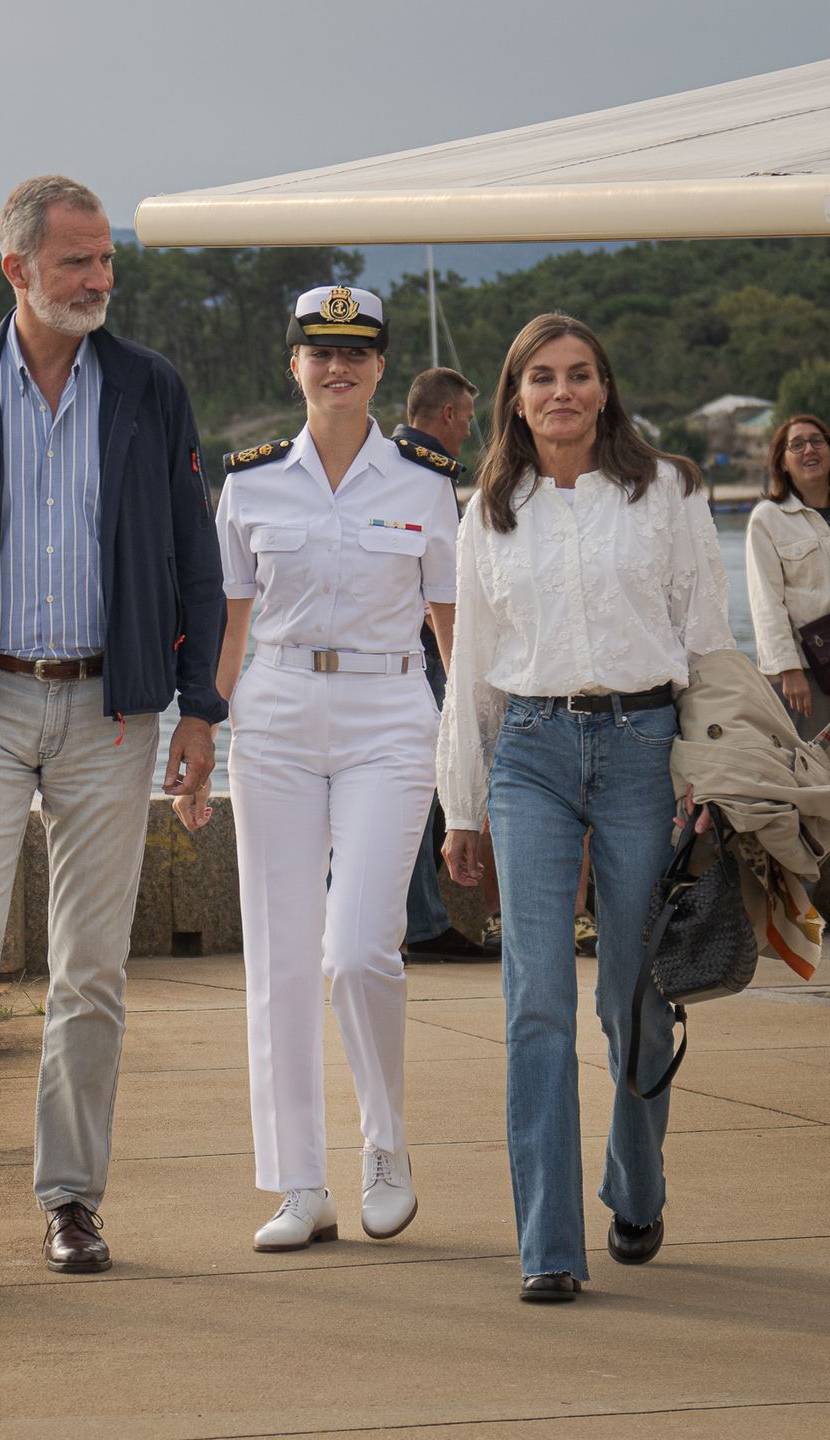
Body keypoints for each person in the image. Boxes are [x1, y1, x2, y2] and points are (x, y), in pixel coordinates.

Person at [0, 175, 226, 1291]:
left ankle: (72, 1202)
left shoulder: (150, 392)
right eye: (77, 261)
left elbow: (191, 560)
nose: (100, 280)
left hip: (112, 709)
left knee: (92, 969)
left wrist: (201, 707)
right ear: (17, 268)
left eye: (107, 259)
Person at [438, 313, 733, 1302]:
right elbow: (471, 668)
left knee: (635, 998)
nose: (561, 393)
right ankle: (549, 1247)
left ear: (606, 390)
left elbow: (706, 643)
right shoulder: (488, 511)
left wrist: (708, 772)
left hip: (647, 754)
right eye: (540, 379)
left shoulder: (669, 493)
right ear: (515, 397)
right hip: (528, 754)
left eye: (579, 375)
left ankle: (637, 1185)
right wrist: (461, 806)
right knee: (537, 1005)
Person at [174, 286, 458, 1250]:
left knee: (358, 951)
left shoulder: (423, 479)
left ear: (381, 366)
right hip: (281, 712)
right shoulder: (251, 481)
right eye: (318, 352)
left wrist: (472, 755)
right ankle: (300, 1183)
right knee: (283, 956)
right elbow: (228, 621)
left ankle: (384, 1146)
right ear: (291, 365)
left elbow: (450, 627)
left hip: (389, 710)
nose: (337, 367)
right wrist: (200, 729)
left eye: (357, 352)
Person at [391, 369, 498, 962]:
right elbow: (434, 586)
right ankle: (421, 924)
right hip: (421, 656)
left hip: (405, 652)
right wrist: (460, 672)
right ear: (449, 416)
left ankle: (418, 922)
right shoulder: (422, 470)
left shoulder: (388, 461)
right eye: (467, 416)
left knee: (419, 791)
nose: (468, 429)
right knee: (418, 790)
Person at [746, 413, 830, 744]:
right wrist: (788, 670)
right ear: (782, 462)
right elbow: (765, 601)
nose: (809, 449)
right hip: (806, 673)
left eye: (817, 441)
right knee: (812, 772)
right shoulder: (768, 519)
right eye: (797, 445)